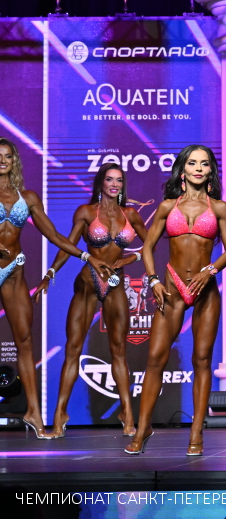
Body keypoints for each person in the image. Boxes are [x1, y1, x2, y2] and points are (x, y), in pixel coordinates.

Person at [124, 145, 226, 456]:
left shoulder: (220, 208)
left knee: (201, 360)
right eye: (192, 163)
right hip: (172, 287)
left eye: (204, 163)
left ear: (210, 171)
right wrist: (153, 280)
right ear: (183, 170)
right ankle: (143, 427)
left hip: (205, 289)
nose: (198, 168)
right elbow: (147, 248)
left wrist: (210, 270)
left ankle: (196, 432)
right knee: (155, 359)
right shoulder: (167, 207)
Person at [0, 138, 107, 439]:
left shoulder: (28, 198)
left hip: (13, 272)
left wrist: (87, 256)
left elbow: (56, 236)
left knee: (24, 341)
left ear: (14, 161)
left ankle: (34, 414)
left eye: (7, 156)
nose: (2, 161)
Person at [35, 164, 148, 438]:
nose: (115, 184)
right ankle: (60, 416)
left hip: (116, 283)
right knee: (73, 348)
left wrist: (131, 258)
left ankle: (127, 415)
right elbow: (67, 245)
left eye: (119, 180)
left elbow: (152, 243)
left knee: (118, 350)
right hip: (88, 282)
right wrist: (49, 274)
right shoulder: (86, 212)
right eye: (110, 179)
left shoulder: (131, 214)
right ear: (101, 183)